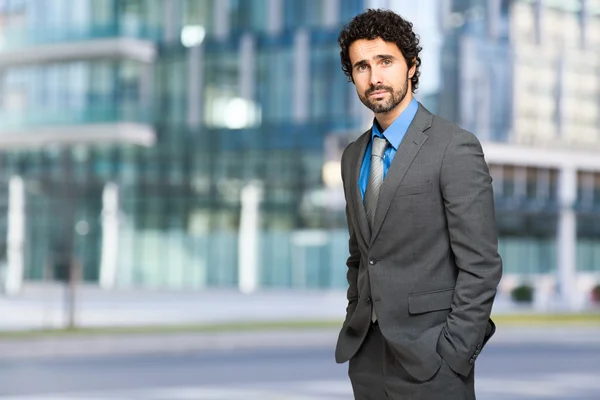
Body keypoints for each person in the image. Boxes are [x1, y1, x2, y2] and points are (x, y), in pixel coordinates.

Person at [334, 9, 503, 400]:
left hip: (434, 364)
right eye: (362, 66)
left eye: (385, 62)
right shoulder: (352, 156)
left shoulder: (453, 147)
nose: (374, 77)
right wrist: (355, 313)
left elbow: (481, 265)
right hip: (367, 360)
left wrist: (454, 355)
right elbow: (361, 256)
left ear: (411, 66)